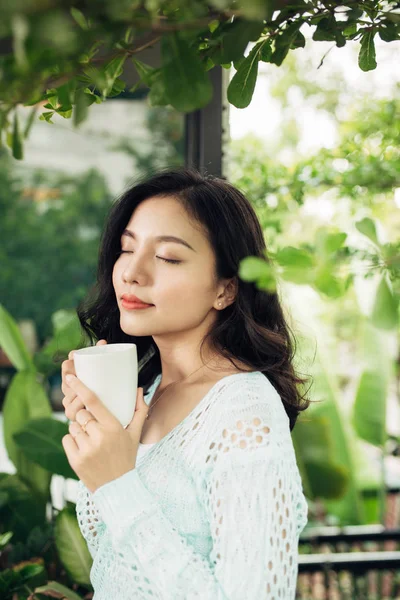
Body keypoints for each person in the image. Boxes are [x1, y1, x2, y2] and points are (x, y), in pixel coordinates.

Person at [61, 167, 310, 599]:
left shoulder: (243, 415)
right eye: (127, 249)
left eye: (169, 257)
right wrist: (97, 437)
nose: (131, 273)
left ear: (226, 289)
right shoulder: (152, 390)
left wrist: (116, 485)